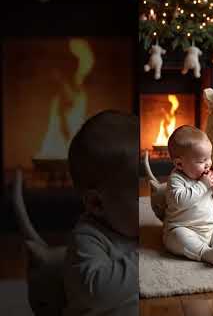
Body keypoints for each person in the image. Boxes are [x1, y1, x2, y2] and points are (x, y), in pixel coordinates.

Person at [63, 110, 138, 316]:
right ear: (97, 204)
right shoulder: (88, 237)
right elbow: (95, 292)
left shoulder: (138, 229)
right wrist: (149, 259)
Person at [163, 125, 213, 266]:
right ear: (179, 164)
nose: (208, 164)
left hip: (209, 229)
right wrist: (203, 185)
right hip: (184, 229)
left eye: (209, 158)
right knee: (175, 238)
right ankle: (205, 253)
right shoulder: (176, 179)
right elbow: (179, 201)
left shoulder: (204, 176)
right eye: (201, 161)